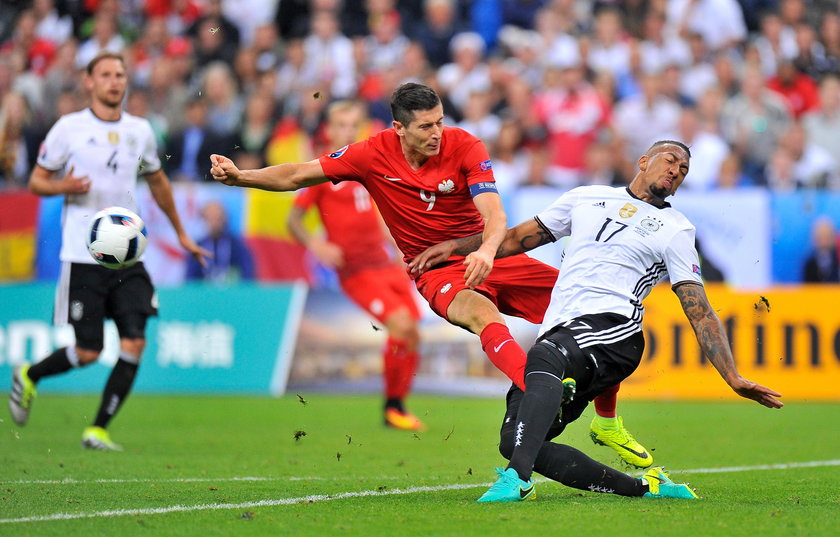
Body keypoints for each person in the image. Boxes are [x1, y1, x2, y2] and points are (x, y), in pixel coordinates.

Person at [210, 83, 653, 468]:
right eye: (425, 127)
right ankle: (540, 395)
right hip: (436, 271)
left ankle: (607, 422)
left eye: (439, 122)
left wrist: (485, 249)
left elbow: (495, 215)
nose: (436, 133)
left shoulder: (465, 146)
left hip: (491, 254)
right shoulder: (370, 154)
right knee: (482, 316)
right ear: (399, 129)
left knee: (597, 313)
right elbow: (296, 175)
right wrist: (240, 177)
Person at [410, 140, 784, 502]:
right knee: (516, 441)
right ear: (643, 161)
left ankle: (517, 480)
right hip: (563, 330)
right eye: (670, 160)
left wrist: (732, 376)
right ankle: (645, 487)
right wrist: (456, 248)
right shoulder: (585, 197)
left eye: (683, 169)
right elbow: (517, 239)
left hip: (615, 330)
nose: (676, 170)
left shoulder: (676, 229)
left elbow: (698, 307)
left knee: (543, 357)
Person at [8, 52, 209, 451]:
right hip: (84, 256)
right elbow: (36, 182)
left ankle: (97, 429)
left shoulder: (141, 131)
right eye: (106, 75)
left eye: (120, 75)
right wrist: (64, 187)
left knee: (135, 343)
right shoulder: (69, 128)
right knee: (88, 351)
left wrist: (182, 233)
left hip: (130, 255)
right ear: (89, 82)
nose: (115, 82)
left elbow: (158, 182)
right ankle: (30, 374)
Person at [287, 100, 425, 431]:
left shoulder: (368, 164)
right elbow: (293, 219)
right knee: (400, 324)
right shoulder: (322, 171)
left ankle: (397, 406)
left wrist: (398, 247)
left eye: (353, 125)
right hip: (356, 271)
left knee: (413, 332)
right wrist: (316, 244)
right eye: (342, 125)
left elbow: (378, 213)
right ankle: (392, 407)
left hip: (385, 264)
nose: (347, 131)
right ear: (330, 130)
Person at [185, 200, 254, 283]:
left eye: (218, 218)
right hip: (205, 294)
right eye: (210, 218)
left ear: (224, 219)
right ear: (204, 219)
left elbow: (247, 274)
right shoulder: (198, 246)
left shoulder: (236, 245)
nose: (214, 223)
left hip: (231, 292)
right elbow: (190, 279)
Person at [802, 217, 840, 283]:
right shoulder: (810, 263)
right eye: (820, 237)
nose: (824, 241)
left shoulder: (838, 259)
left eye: (827, 236)